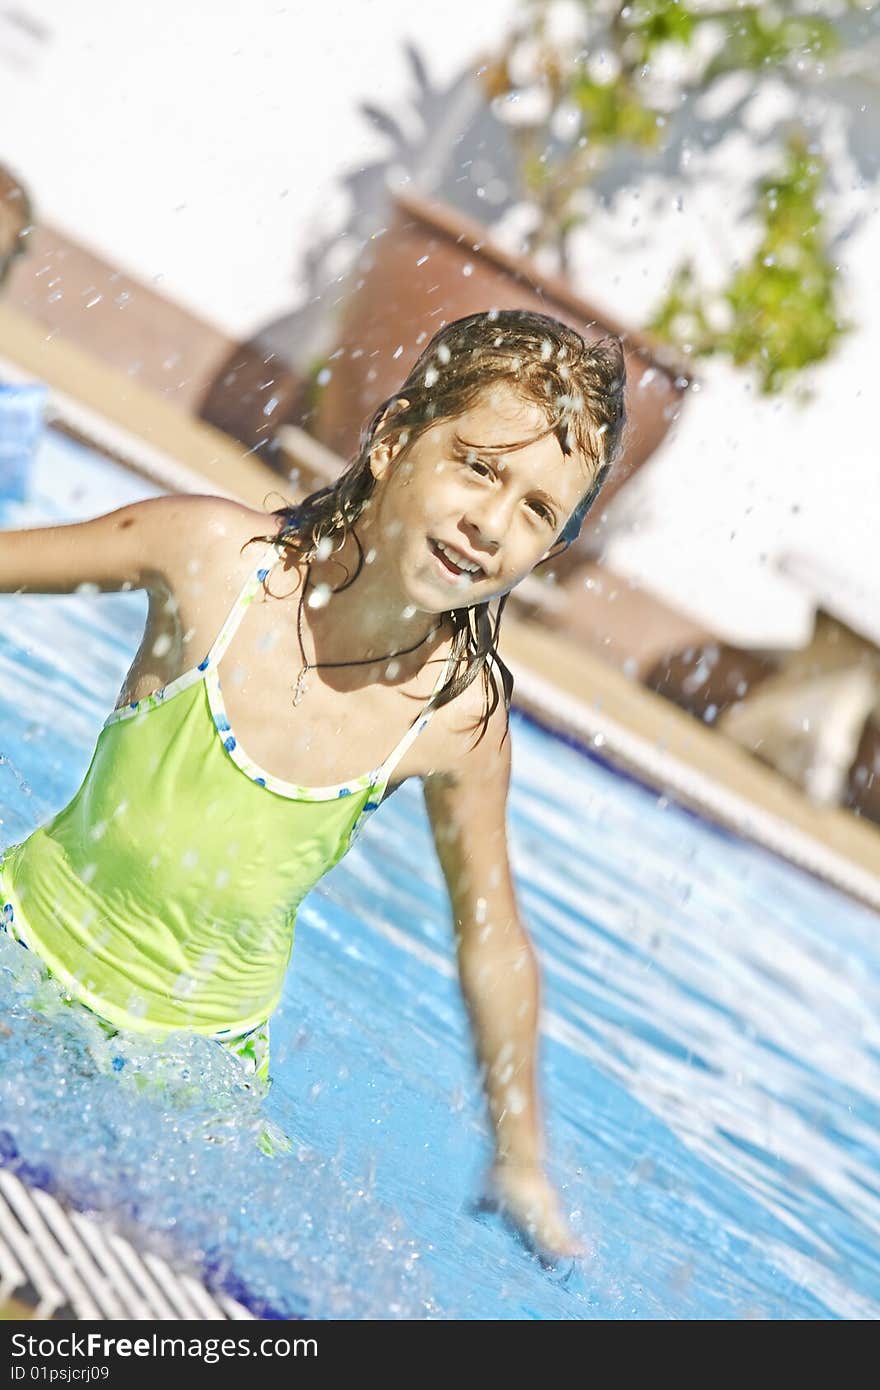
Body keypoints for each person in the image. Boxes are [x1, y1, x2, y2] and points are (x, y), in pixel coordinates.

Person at [0, 308, 627, 1262]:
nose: (490, 523)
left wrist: (521, 1159)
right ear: (390, 443)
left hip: (190, 1076)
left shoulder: (455, 721)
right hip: (21, 952)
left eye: (538, 510)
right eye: (479, 466)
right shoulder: (213, 562)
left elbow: (492, 932)